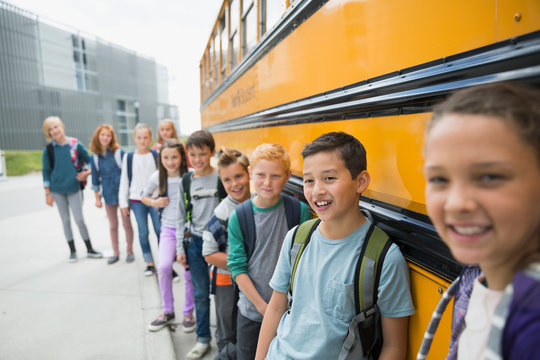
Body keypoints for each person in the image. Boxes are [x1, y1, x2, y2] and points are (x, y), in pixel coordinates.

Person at [256, 132, 414, 360]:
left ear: (361, 181)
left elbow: (394, 346)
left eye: (329, 178)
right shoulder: (296, 239)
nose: (317, 190)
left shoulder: (383, 258)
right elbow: (276, 308)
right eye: (309, 180)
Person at [418, 82, 540, 360]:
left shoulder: (532, 325)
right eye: (439, 179)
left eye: (490, 177)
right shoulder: (475, 282)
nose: (457, 203)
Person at [227, 143, 311, 360]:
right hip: (251, 312)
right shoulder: (240, 216)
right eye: (260, 175)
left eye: (275, 176)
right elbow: (237, 268)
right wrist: (264, 308)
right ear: (250, 173)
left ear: (287, 176)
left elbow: (304, 263)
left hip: (289, 314)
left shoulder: (298, 211)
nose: (266, 182)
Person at [176, 130, 223, 359]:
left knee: (225, 295)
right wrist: (179, 248)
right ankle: (203, 338)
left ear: (212, 152)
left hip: (220, 245)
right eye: (192, 154)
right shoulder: (186, 181)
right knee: (201, 294)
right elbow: (179, 217)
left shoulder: (221, 177)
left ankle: (226, 340)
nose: (197, 159)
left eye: (202, 154)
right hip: (194, 244)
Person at [202, 148, 252, 359]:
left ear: (249, 173)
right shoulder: (223, 212)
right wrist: (244, 265)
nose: (234, 184)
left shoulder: (260, 202)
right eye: (227, 180)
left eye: (239, 176)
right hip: (225, 281)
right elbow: (209, 253)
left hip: (250, 281)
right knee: (227, 324)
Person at [142, 139, 190, 331]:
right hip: (168, 229)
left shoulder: (189, 176)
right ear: (160, 158)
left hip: (187, 231)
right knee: (163, 267)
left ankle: (188, 313)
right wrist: (155, 202)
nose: (170, 162)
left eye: (174, 157)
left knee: (188, 272)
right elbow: (143, 196)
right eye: (166, 157)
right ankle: (168, 311)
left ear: (181, 157)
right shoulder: (157, 177)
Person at [41, 116, 102, 262]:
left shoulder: (75, 144)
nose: (55, 130)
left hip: (74, 188)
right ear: (48, 133)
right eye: (51, 129)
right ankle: (72, 251)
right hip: (57, 190)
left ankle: (90, 249)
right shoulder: (49, 150)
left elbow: (90, 162)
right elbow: (46, 171)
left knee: (79, 219)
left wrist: (86, 173)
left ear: (62, 126)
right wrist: (47, 193)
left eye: (56, 126)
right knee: (65, 221)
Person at [118, 123, 160, 276]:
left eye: (145, 137)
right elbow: (124, 181)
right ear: (135, 138)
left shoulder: (155, 155)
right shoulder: (128, 157)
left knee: (159, 230)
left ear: (150, 138)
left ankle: (164, 260)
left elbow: (161, 178)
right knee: (143, 232)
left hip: (155, 199)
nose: (142, 141)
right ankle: (149, 262)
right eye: (139, 138)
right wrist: (123, 203)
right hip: (137, 201)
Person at [89, 124, 134, 264]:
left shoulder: (118, 153)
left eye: (108, 135)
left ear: (112, 137)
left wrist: (128, 195)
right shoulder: (95, 157)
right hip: (108, 196)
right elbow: (95, 179)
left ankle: (129, 251)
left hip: (122, 195)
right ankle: (115, 252)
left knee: (126, 224)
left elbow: (128, 174)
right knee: (113, 225)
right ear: (98, 136)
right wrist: (97, 198)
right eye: (102, 135)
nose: (105, 138)